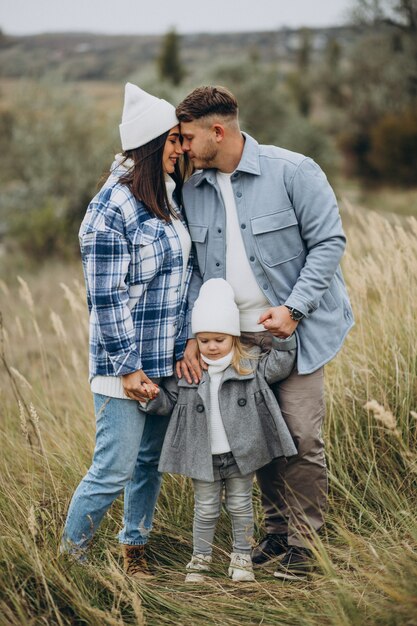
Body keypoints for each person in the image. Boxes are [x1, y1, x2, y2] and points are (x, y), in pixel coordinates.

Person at [175, 86, 354, 580]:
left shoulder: (293, 170)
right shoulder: (192, 191)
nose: (184, 148)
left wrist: (294, 309)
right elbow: (191, 269)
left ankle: (306, 545)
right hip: (235, 344)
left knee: (299, 435)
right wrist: (199, 329)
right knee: (257, 438)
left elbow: (328, 242)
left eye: (189, 137)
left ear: (218, 131)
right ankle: (276, 534)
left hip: (296, 332)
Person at [61, 83, 193, 578]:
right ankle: (69, 566)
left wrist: (185, 345)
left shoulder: (166, 196)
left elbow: (177, 281)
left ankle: (133, 547)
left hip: (165, 360)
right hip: (125, 366)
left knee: (147, 465)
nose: (181, 149)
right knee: (112, 469)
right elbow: (106, 299)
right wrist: (130, 368)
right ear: (153, 144)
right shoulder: (109, 210)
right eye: (174, 141)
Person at [142, 278, 297, 583]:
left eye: (219, 339)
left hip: (240, 454)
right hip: (203, 458)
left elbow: (281, 364)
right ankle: (200, 556)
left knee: (240, 505)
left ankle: (241, 556)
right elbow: (168, 402)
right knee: (206, 508)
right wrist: (152, 397)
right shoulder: (188, 373)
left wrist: (282, 335)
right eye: (204, 340)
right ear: (195, 341)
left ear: (233, 338)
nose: (212, 346)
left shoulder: (248, 366)